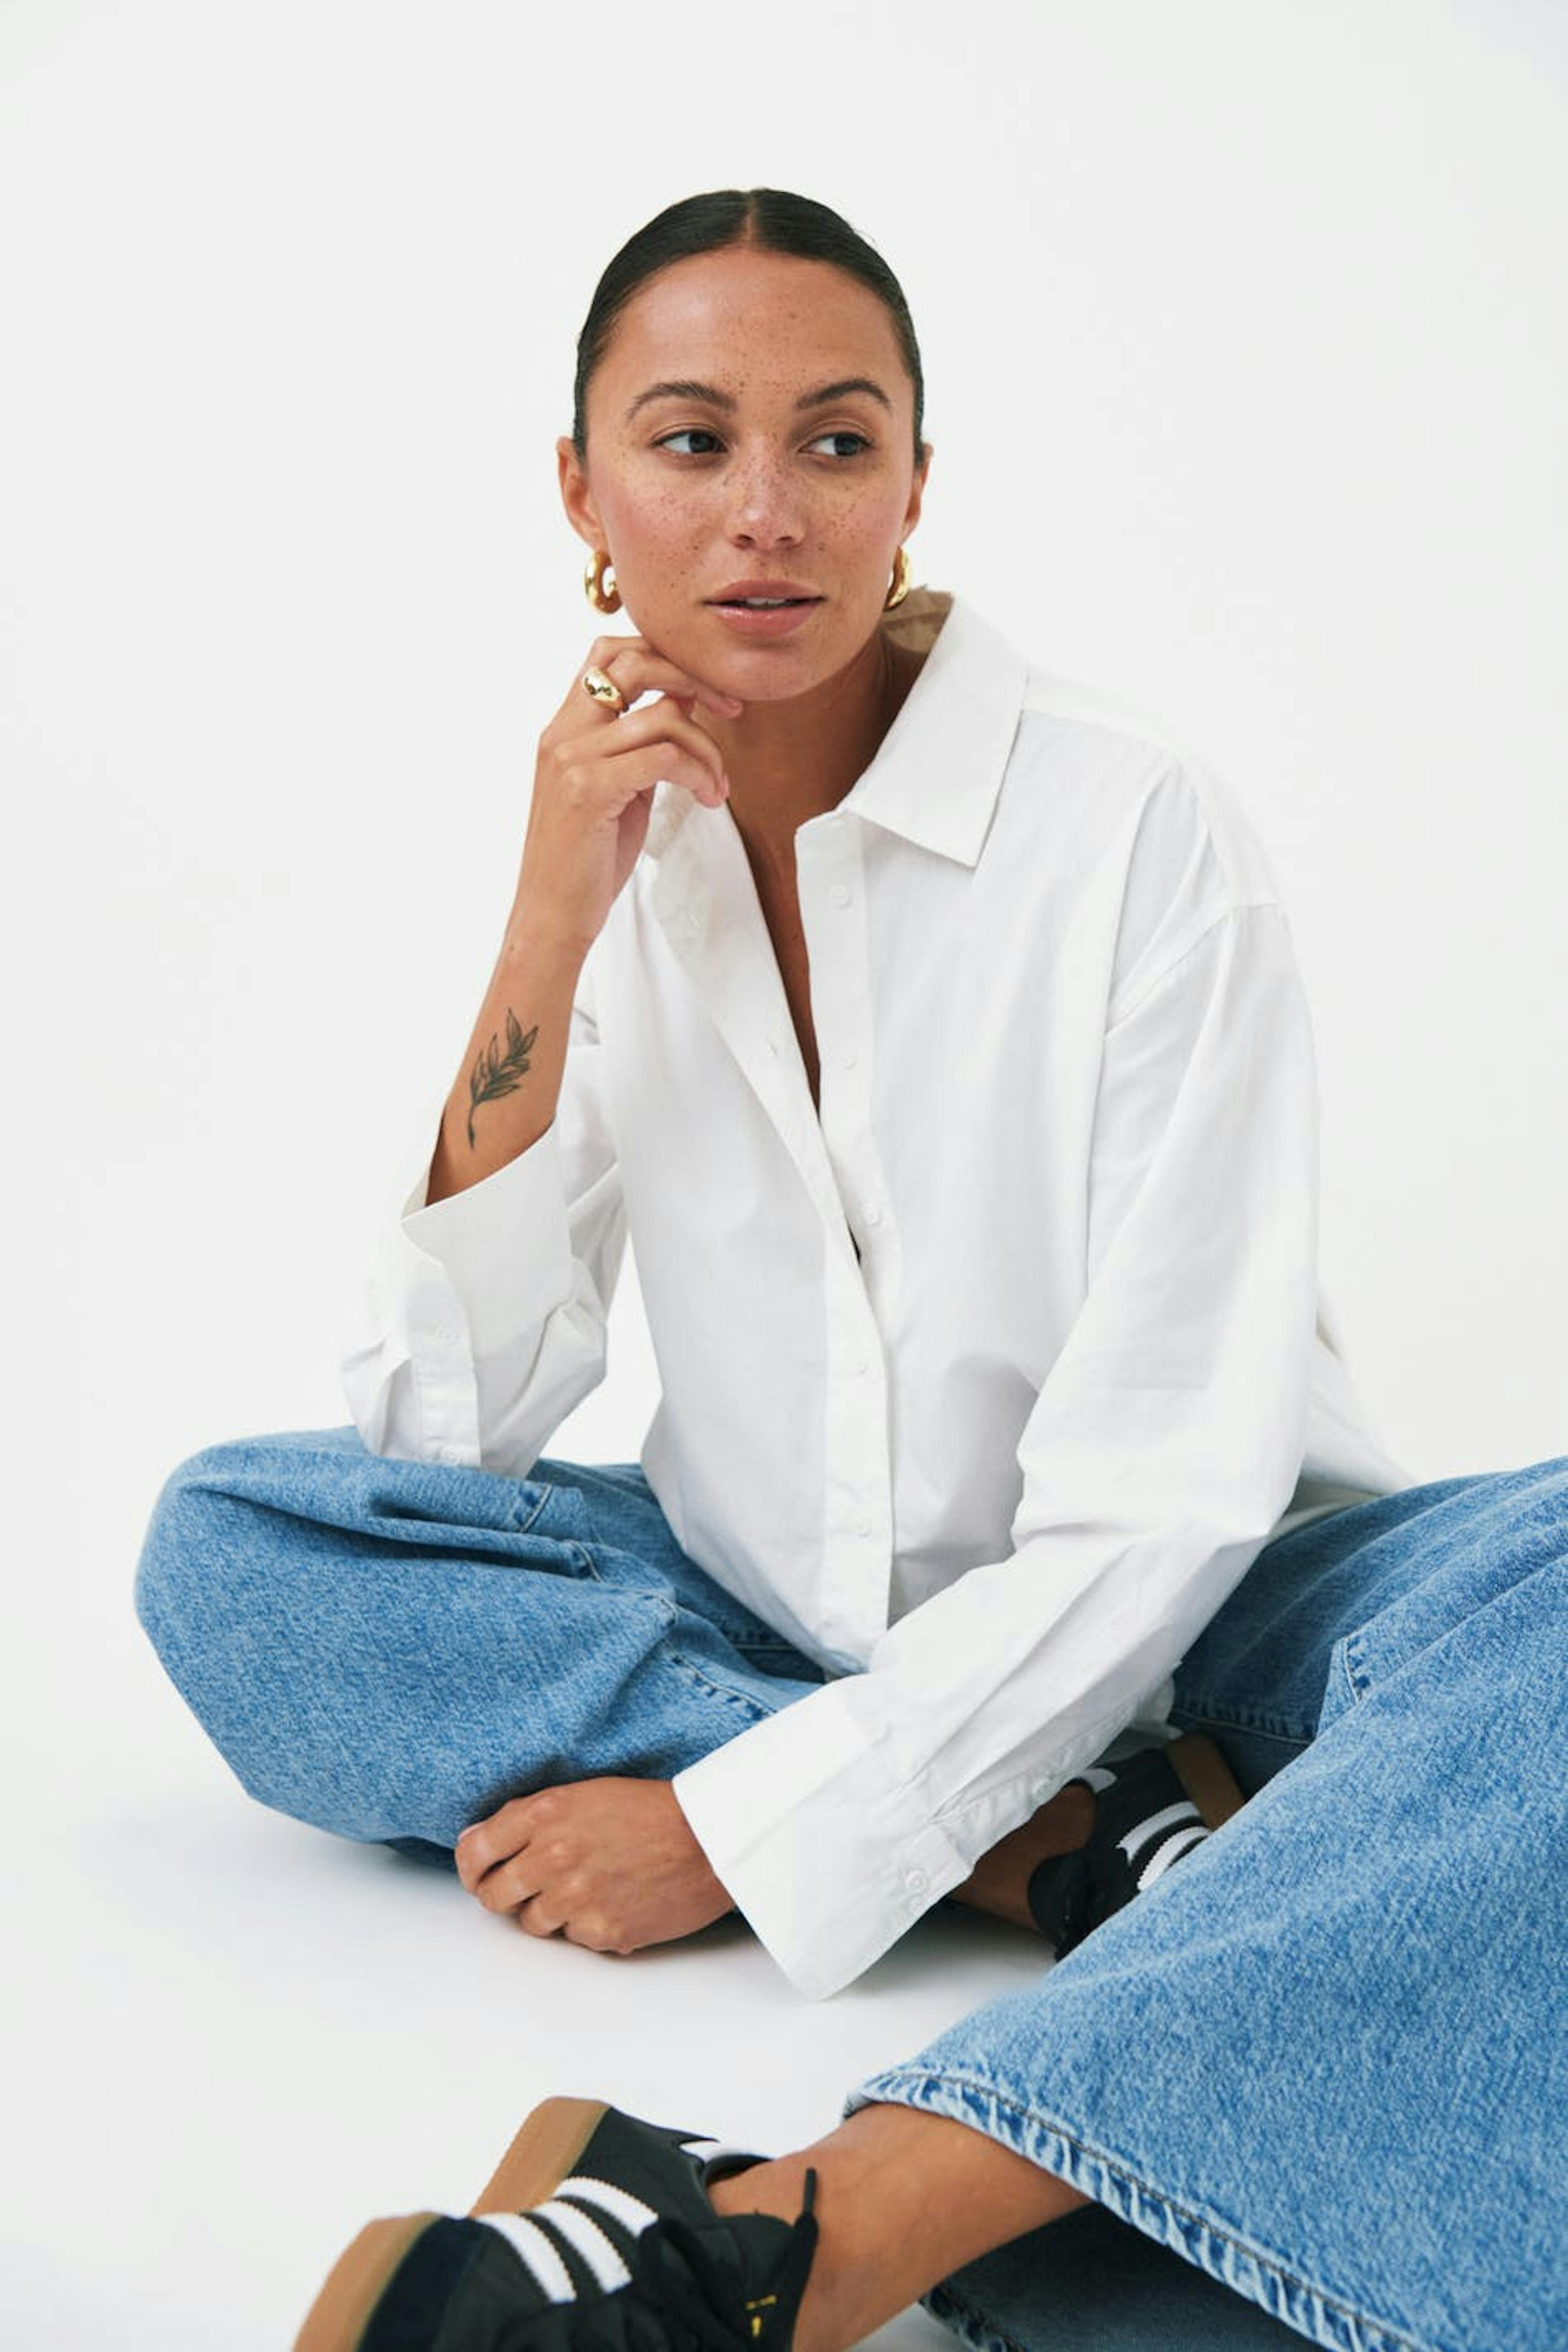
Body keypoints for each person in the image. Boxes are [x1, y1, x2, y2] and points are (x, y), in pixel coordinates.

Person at [134, 190, 1565, 2352]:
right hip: (780, 1613)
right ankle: (1054, 1846)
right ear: (583, 493)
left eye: (836, 439)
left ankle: (794, 2228)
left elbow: (1170, 1490)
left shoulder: (1135, 828)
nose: (767, 514)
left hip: (1217, 1620)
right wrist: (549, 917)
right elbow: (444, 1430)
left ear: (915, 480)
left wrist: (735, 1832)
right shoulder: (626, 846)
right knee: (240, 1545)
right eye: (691, 441)